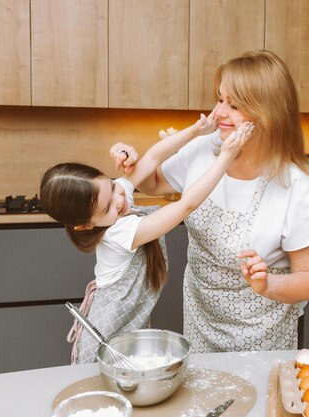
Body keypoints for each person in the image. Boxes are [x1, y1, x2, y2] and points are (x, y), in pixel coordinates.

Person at [115, 50, 309, 353]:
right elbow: (154, 182)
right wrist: (135, 165)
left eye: (235, 105)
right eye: (220, 100)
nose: (220, 113)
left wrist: (268, 284)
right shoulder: (206, 149)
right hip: (200, 319)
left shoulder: (295, 187)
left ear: (270, 112)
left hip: (262, 332)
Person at [40, 114, 253, 363]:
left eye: (112, 186)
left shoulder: (114, 199)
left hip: (129, 332)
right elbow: (186, 206)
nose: (120, 200)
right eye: (108, 207)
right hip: (107, 339)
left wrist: (195, 130)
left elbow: (152, 157)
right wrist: (225, 157)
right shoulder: (118, 232)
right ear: (86, 225)